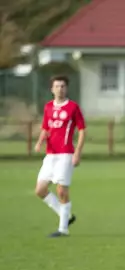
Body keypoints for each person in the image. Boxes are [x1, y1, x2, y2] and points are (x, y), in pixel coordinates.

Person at [34, 75, 86, 237]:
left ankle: (63, 229)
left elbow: (82, 130)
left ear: (66, 88)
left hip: (65, 154)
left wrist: (77, 152)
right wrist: (40, 141)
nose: (60, 89)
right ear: (52, 89)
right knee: (40, 190)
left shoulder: (73, 107)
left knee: (61, 190)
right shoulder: (48, 107)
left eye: (63, 86)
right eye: (57, 86)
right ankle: (66, 216)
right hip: (50, 155)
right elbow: (45, 127)